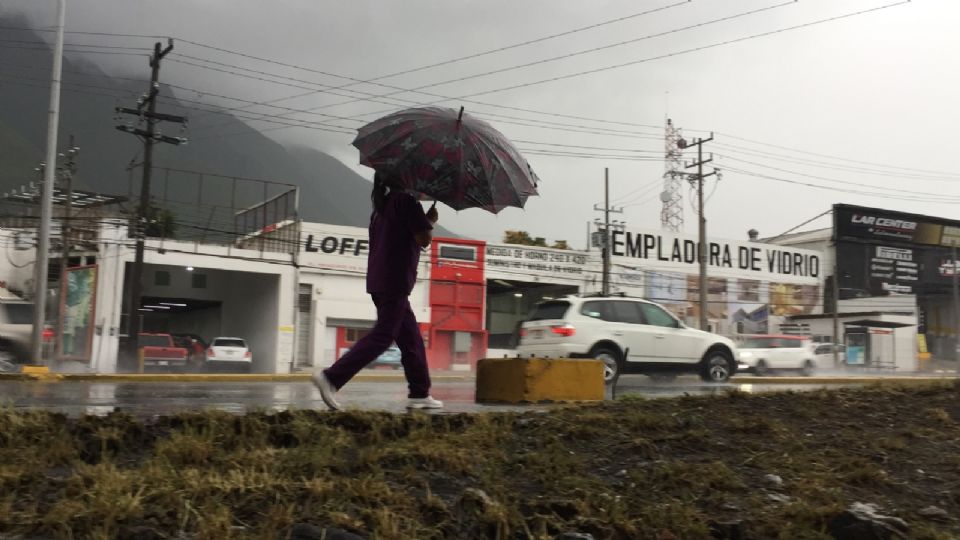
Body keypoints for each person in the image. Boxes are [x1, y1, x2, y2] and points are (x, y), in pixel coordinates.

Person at [312, 171, 442, 410]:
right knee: (383, 337)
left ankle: (420, 393)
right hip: (395, 282)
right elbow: (423, 239)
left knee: (411, 338)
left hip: (380, 282)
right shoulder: (406, 201)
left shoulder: (381, 209)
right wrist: (430, 221)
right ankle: (331, 377)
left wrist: (423, 221)